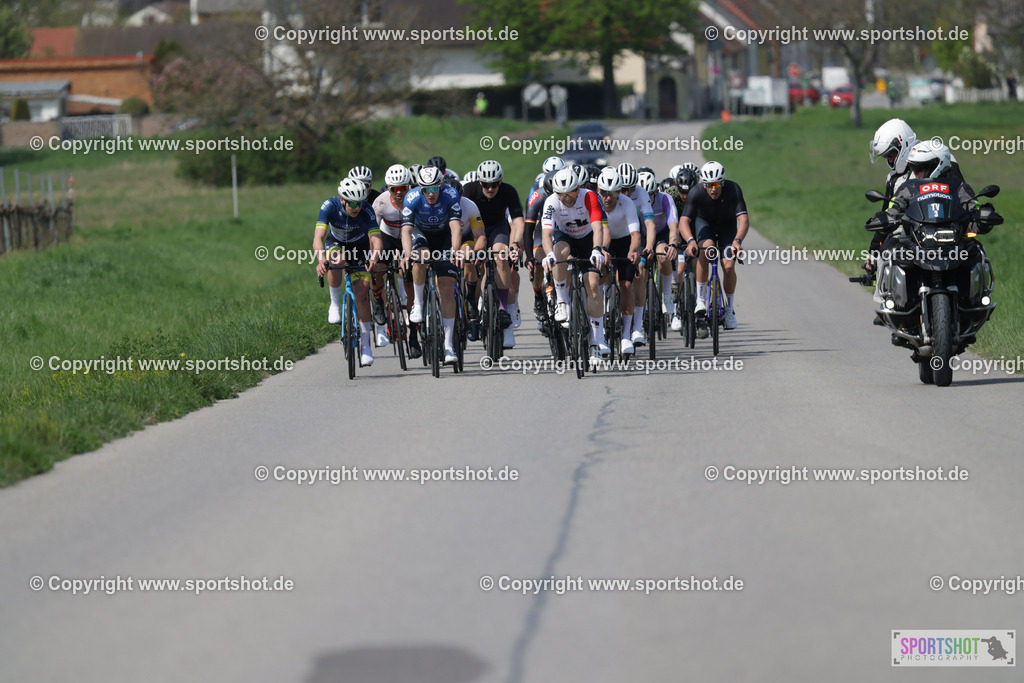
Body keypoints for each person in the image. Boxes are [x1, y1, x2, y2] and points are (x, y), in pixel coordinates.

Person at [540, 167, 608, 361]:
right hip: (566, 238)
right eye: (562, 194)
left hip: (587, 239)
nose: (567, 198)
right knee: (558, 253)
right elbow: (547, 234)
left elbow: (597, 227)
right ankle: (562, 302)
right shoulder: (551, 202)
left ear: (578, 188)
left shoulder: (589, 196)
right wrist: (549, 254)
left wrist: (597, 249)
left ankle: (598, 340)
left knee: (593, 284)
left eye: (571, 192)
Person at [314, 177, 383, 367]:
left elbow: (376, 239)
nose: (357, 207)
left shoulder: (367, 209)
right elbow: (318, 238)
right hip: (336, 244)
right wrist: (321, 260)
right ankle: (335, 304)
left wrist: (374, 258)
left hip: (360, 248)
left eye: (360, 202)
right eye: (352, 203)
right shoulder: (329, 206)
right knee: (336, 260)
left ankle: (366, 347)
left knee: (362, 294)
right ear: (342, 199)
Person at [400, 165, 463, 365]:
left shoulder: (451, 194)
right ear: (420, 188)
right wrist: (408, 254)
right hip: (422, 234)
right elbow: (406, 231)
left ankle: (448, 345)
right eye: (425, 189)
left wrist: (455, 250)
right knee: (421, 256)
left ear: (441, 186)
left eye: (434, 189)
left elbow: (455, 227)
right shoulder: (412, 197)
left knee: (446, 288)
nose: (430, 194)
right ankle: (418, 304)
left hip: (444, 237)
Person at [462, 160, 526, 349]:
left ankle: (503, 308)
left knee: (501, 256)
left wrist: (514, 244)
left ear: (501, 181)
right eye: (486, 185)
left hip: (497, 227)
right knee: (471, 260)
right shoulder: (469, 190)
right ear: (479, 183)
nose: (490, 189)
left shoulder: (509, 191)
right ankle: (473, 309)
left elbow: (518, 221)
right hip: (475, 230)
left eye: (495, 184)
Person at [679, 161, 748, 334]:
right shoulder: (696, 192)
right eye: (709, 185)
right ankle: (701, 299)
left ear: (723, 182)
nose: (713, 189)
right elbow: (684, 221)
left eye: (716, 184)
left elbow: (744, 219)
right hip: (706, 224)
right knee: (706, 250)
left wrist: (737, 241)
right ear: (704, 184)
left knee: (729, 265)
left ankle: (730, 309)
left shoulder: (733, 189)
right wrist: (690, 241)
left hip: (727, 226)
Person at [372, 164, 422, 358]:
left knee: (410, 285)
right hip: (387, 238)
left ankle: (414, 336)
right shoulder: (381, 202)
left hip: (409, 237)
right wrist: (374, 255)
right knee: (376, 266)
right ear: (388, 188)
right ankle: (378, 299)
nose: (399, 193)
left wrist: (407, 254)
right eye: (395, 189)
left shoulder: (417, 199)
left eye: (403, 188)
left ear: (409, 186)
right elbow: (372, 234)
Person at [595, 167, 641, 355]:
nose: (608, 198)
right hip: (601, 242)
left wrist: (632, 251)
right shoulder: (593, 201)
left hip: (623, 243)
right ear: (599, 190)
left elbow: (636, 234)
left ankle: (626, 336)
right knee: (599, 279)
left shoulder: (627, 203)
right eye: (604, 193)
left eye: (613, 193)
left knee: (627, 285)